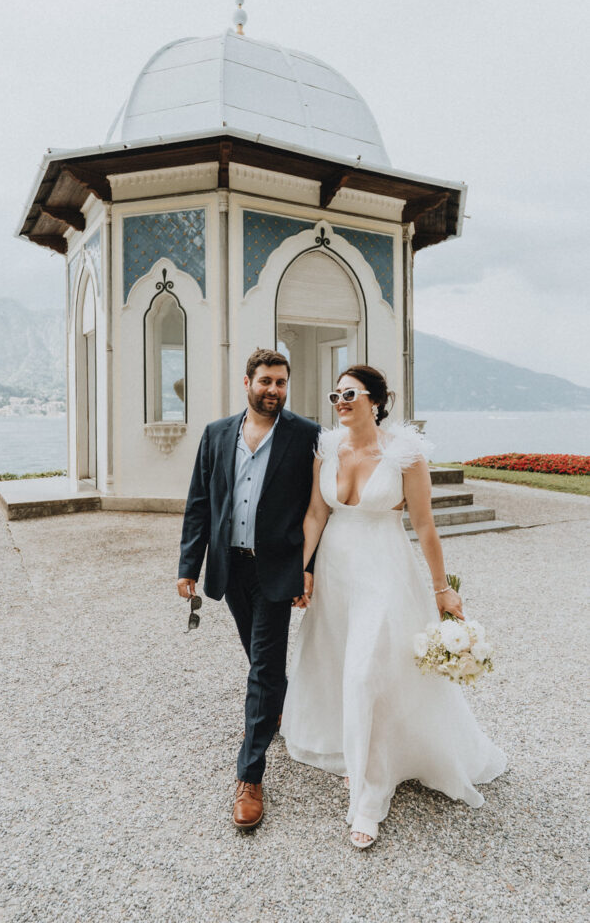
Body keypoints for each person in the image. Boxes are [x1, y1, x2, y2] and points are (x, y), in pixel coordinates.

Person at [280, 365, 507, 849]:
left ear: (377, 401)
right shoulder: (326, 449)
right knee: (337, 662)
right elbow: (317, 513)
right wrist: (302, 569)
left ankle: (368, 796)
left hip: (383, 570)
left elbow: (425, 526)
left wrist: (443, 589)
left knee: (367, 672)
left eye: (349, 393)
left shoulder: (405, 456)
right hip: (337, 573)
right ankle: (354, 753)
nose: (340, 401)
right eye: (334, 394)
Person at [177, 349, 320, 830]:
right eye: (265, 381)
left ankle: (250, 775)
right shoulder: (217, 434)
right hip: (229, 568)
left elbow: (317, 511)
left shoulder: (305, 436)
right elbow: (200, 502)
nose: (273, 390)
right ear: (247, 382)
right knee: (259, 660)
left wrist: (309, 567)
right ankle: (274, 708)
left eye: (281, 382)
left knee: (263, 665)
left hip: (277, 570)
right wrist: (188, 564)